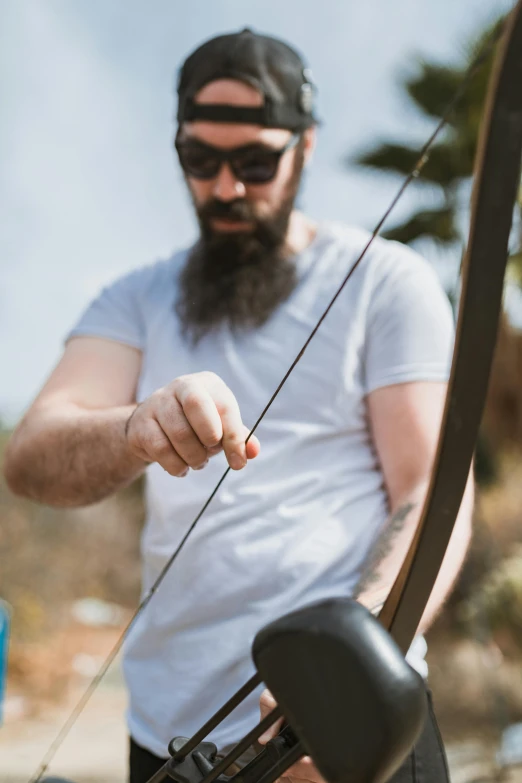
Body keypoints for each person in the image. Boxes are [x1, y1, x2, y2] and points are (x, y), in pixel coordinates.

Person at [4, 28, 473, 783]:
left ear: (305, 146)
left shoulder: (387, 281)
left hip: (347, 732)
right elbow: (31, 457)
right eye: (201, 159)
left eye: (256, 161)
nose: (226, 186)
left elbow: (430, 491)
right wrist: (135, 429)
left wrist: (340, 680)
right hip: (170, 736)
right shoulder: (134, 298)